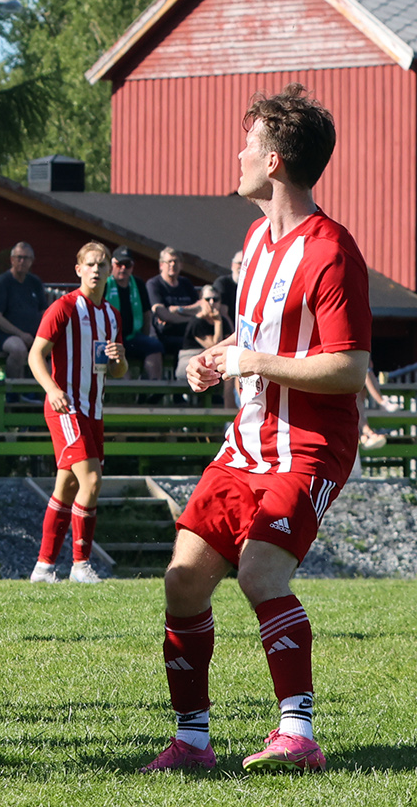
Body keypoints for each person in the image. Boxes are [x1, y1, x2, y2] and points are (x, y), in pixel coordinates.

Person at [144, 85, 370, 775]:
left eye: (247, 144)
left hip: (308, 449)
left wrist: (254, 361)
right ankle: (193, 743)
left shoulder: (332, 251)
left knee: (260, 571)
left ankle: (298, 735)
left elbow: (349, 367)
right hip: (245, 443)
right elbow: (258, 336)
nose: (238, 155)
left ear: (273, 161)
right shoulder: (256, 240)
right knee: (182, 581)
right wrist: (218, 356)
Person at [27, 242, 127, 585]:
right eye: (90, 264)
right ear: (79, 269)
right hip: (66, 407)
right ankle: (80, 565)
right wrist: (52, 390)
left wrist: (119, 359)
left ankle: (43, 568)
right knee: (92, 481)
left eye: (102, 264)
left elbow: (118, 371)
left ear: (110, 270)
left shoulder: (112, 315)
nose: (96, 270)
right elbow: (35, 355)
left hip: (93, 410)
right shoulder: (64, 307)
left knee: (67, 486)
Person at [0, 243, 48, 386]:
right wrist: (21, 334)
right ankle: (13, 392)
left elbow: (45, 312)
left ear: (32, 261)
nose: (22, 261)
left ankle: (41, 393)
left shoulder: (35, 282)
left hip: (34, 336)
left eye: (26, 258)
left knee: (53, 350)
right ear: (12, 259)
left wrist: (43, 335)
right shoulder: (3, 282)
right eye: (19, 257)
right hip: (6, 337)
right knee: (18, 349)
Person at [146, 247, 205, 373]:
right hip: (164, 335)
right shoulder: (154, 284)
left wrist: (178, 309)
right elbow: (163, 314)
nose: (172, 265)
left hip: (188, 334)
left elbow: (201, 307)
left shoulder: (185, 283)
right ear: (161, 265)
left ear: (181, 265)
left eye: (176, 261)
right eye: (169, 262)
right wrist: (192, 317)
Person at [110, 247, 163, 380]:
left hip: (133, 336)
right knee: (115, 353)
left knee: (154, 346)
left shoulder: (138, 284)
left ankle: (153, 385)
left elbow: (147, 313)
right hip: (111, 338)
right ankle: (127, 387)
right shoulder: (105, 284)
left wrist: (145, 335)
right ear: (112, 264)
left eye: (127, 265)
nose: (123, 268)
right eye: (119, 264)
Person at [174, 286, 225, 382]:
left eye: (215, 299)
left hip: (211, 364)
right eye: (207, 299)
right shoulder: (197, 322)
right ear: (201, 301)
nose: (211, 303)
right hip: (190, 363)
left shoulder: (223, 320)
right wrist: (218, 323)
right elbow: (214, 347)